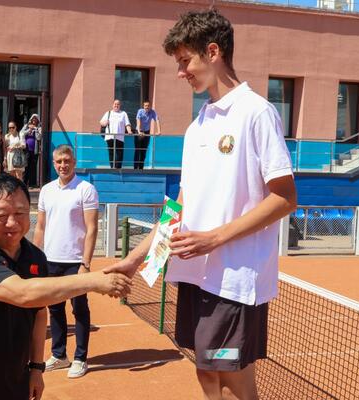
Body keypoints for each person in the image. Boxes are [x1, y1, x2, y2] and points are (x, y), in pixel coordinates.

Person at [105, 10, 297, 400]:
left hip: (233, 283)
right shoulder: (198, 127)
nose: (181, 72)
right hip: (195, 277)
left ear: (213, 52)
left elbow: (284, 197)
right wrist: (136, 259)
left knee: (232, 380)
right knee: (207, 373)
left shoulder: (257, 113)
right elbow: (180, 207)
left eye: (184, 61)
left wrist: (214, 238)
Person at [0, 174, 131, 400]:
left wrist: (36, 368)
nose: (12, 223)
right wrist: (93, 280)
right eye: (1, 215)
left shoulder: (35, 256)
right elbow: (23, 293)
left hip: (14, 382)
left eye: (20, 213)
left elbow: (37, 312)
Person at [33, 145, 99, 379]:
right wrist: (35, 257)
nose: (63, 165)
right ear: (53, 163)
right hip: (50, 260)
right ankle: (59, 355)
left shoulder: (86, 189)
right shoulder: (46, 190)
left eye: (67, 160)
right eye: (59, 161)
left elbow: (92, 228)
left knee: (79, 309)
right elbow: (40, 226)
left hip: (75, 262)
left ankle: (80, 358)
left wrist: (86, 263)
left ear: (74, 161)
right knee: (55, 308)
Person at [100, 99, 132, 169]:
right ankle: (112, 168)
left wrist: (129, 131)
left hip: (119, 137)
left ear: (120, 105)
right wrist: (104, 123)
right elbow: (101, 122)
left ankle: (118, 168)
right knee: (111, 153)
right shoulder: (108, 113)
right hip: (110, 136)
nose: (116, 105)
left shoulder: (123, 113)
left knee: (119, 153)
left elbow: (127, 124)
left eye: (118, 104)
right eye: (115, 104)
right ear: (112, 105)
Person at [134, 100, 161, 170]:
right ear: (143, 106)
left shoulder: (152, 112)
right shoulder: (140, 111)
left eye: (148, 106)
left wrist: (159, 131)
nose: (147, 107)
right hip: (138, 131)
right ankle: (135, 168)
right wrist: (139, 131)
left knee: (144, 150)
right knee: (137, 150)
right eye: (145, 106)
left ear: (150, 106)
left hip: (146, 132)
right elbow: (138, 121)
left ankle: (141, 168)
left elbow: (157, 120)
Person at [20, 114, 42, 188]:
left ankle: (32, 183)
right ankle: (24, 183)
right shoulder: (26, 126)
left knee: (33, 167)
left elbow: (39, 138)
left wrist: (35, 129)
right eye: (33, 119)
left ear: (38, 121)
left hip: (34, 150)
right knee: (26, 166)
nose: (34, 121)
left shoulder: (39, 128)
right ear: (31, 119)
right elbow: (21, 133)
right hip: (26, 150)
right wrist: (29, 129)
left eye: (36, 119)